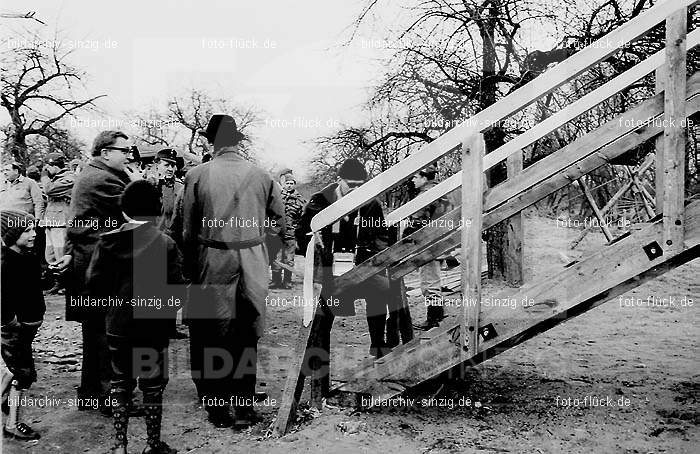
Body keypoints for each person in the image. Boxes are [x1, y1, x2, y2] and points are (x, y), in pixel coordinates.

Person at [177, 114, 285, 428]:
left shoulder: (197, 175)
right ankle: (245, 404)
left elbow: (186, 230)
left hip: (212, 258)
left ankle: (218, 407)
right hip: (252, 260)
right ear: (237, 140)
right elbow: (280, 222)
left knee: (210, 332)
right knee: (246, 332)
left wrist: (191, 267)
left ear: (210, 142)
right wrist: (263, 252)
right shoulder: (263, 175)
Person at [86, 181, 182, 454]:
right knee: (152, 386)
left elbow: (94, 285)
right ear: (158, 209)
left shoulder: (106, 241)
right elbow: (177, 291)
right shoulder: (165, 243)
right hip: (153, 327)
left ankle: (120, 445)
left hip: (117, 324)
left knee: (120, 382)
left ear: (124, 209)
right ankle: (152, 445)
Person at [52, 130, 141, 414]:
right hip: (101, 267)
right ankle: (112, 399)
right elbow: (141, 210)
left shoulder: (94, 174)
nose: (129, 156)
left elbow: (76, 222)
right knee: (109, 334)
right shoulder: (103, 179)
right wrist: (139, 182)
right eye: (124, 150)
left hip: (89, 264)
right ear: (106, 153)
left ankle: (91, 393)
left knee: (95, 333)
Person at [295, 158, 411, 362]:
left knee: (380, 292)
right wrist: (319, 253)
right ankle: (317, 352)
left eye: (360, 185)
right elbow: (302, 233)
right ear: (339, 180)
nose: (356, 189)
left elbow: (381, 236)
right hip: (330, 270)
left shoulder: (371, 204)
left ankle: (378, 344)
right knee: (326, 307)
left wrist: (370, 254)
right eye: (351, 185)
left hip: (360, 266)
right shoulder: (318, 201)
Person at [1, 210, 45, 440]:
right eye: (27, 230)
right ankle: (12, 424)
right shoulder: (6, 263)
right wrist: (11, 323)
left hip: (27, 328)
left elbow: (37, 284)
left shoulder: (28, 256)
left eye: (33, 228)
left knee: (20, 371)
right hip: (15, 331)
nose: (34, 233)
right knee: (21, 374)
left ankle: (9, 403)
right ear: (11, 234)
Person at [406, 165, 451, 330]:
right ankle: (437, 318)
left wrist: (407, 234)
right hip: (439, 242)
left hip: (429, 244)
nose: (413, 180)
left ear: (425, 178)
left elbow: (417, 221)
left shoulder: (426, 195)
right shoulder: (439, 191)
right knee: (433, 282)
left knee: (429, 284)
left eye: (415, 177)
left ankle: (434, 321)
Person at [41, 153, 75, 294]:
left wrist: (43, 176)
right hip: (51, 221)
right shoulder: (54, 179)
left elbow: (50, 190)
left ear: (55, 166)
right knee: (50, 255)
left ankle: (66, 284)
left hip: (61, 221)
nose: (47, 169)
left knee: (61, 254)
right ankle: (57, 283)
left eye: (49, 166)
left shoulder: (70, 178)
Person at [270, 173, 306, 289]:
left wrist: (297, 230)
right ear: (283, 184)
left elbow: (303, 218)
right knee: (276, 258)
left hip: (290, 234)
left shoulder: (300, 200)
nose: (289, 186)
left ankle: (287, 281)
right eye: (287, 183)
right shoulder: (277, 197)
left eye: (292, 183)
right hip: (276, 233)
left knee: (289, 259)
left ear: (295, 185)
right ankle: (276, 281)